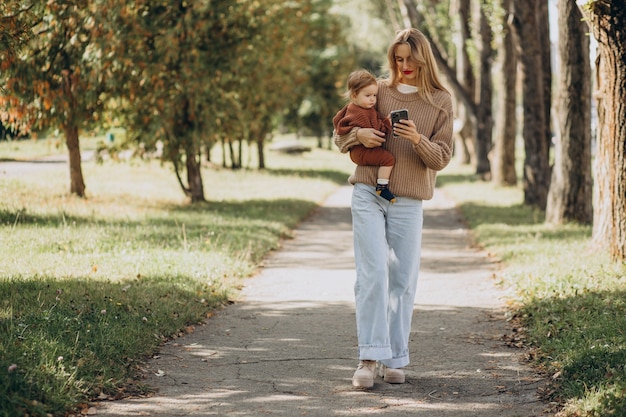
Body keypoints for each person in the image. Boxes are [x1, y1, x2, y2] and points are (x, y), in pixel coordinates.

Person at [334, 28, 454, 388]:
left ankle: (394, 358)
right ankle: (368, 358)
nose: (404, 66)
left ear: (423, 60)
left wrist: (417, 139)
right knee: (371, 275)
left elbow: (443, 157)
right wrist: (359, 137)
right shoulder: (378, 91)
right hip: (369, 192)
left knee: (401, 280)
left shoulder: (440, 101)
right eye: (398, 59)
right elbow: (339, 137)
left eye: (410, 60)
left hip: (409, 200)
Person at [333, 70, 396, 203]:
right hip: (361, 152)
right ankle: (382, 187)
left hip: (361, 151)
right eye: (368, 95)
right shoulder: (358, 113)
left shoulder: (366, 109)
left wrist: (385, 121)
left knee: (386, 158)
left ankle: (381, 186)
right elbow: (374, 130)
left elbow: (374, 124)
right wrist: (386, 125)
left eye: (374, 95)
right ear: (354, 95)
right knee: (388, 160)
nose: (373, 99)